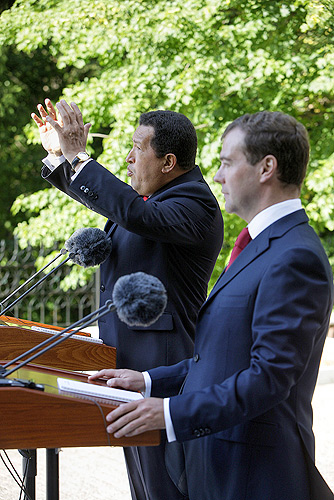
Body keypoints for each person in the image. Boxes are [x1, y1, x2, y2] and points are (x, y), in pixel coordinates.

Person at [90, 111, 334, 500]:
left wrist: (169, 413)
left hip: (253, 472)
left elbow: (268, 378)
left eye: (226, 162)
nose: (217, 176)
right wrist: (151, 380)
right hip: (219, 462)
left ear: (266, 168)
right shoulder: (260, 244)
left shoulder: (295, 256)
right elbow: (222, 359)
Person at [32, 99, 223, 500]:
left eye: (138, 148)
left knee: (166, 488)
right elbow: (119, 206)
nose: (128, 157)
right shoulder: (153, 199)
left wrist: (79, 156)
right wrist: (59, 157)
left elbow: (133, 214)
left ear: (168, 161)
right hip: (128, 367)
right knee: (144, 488)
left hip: (164, 370)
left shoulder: (195, 203)